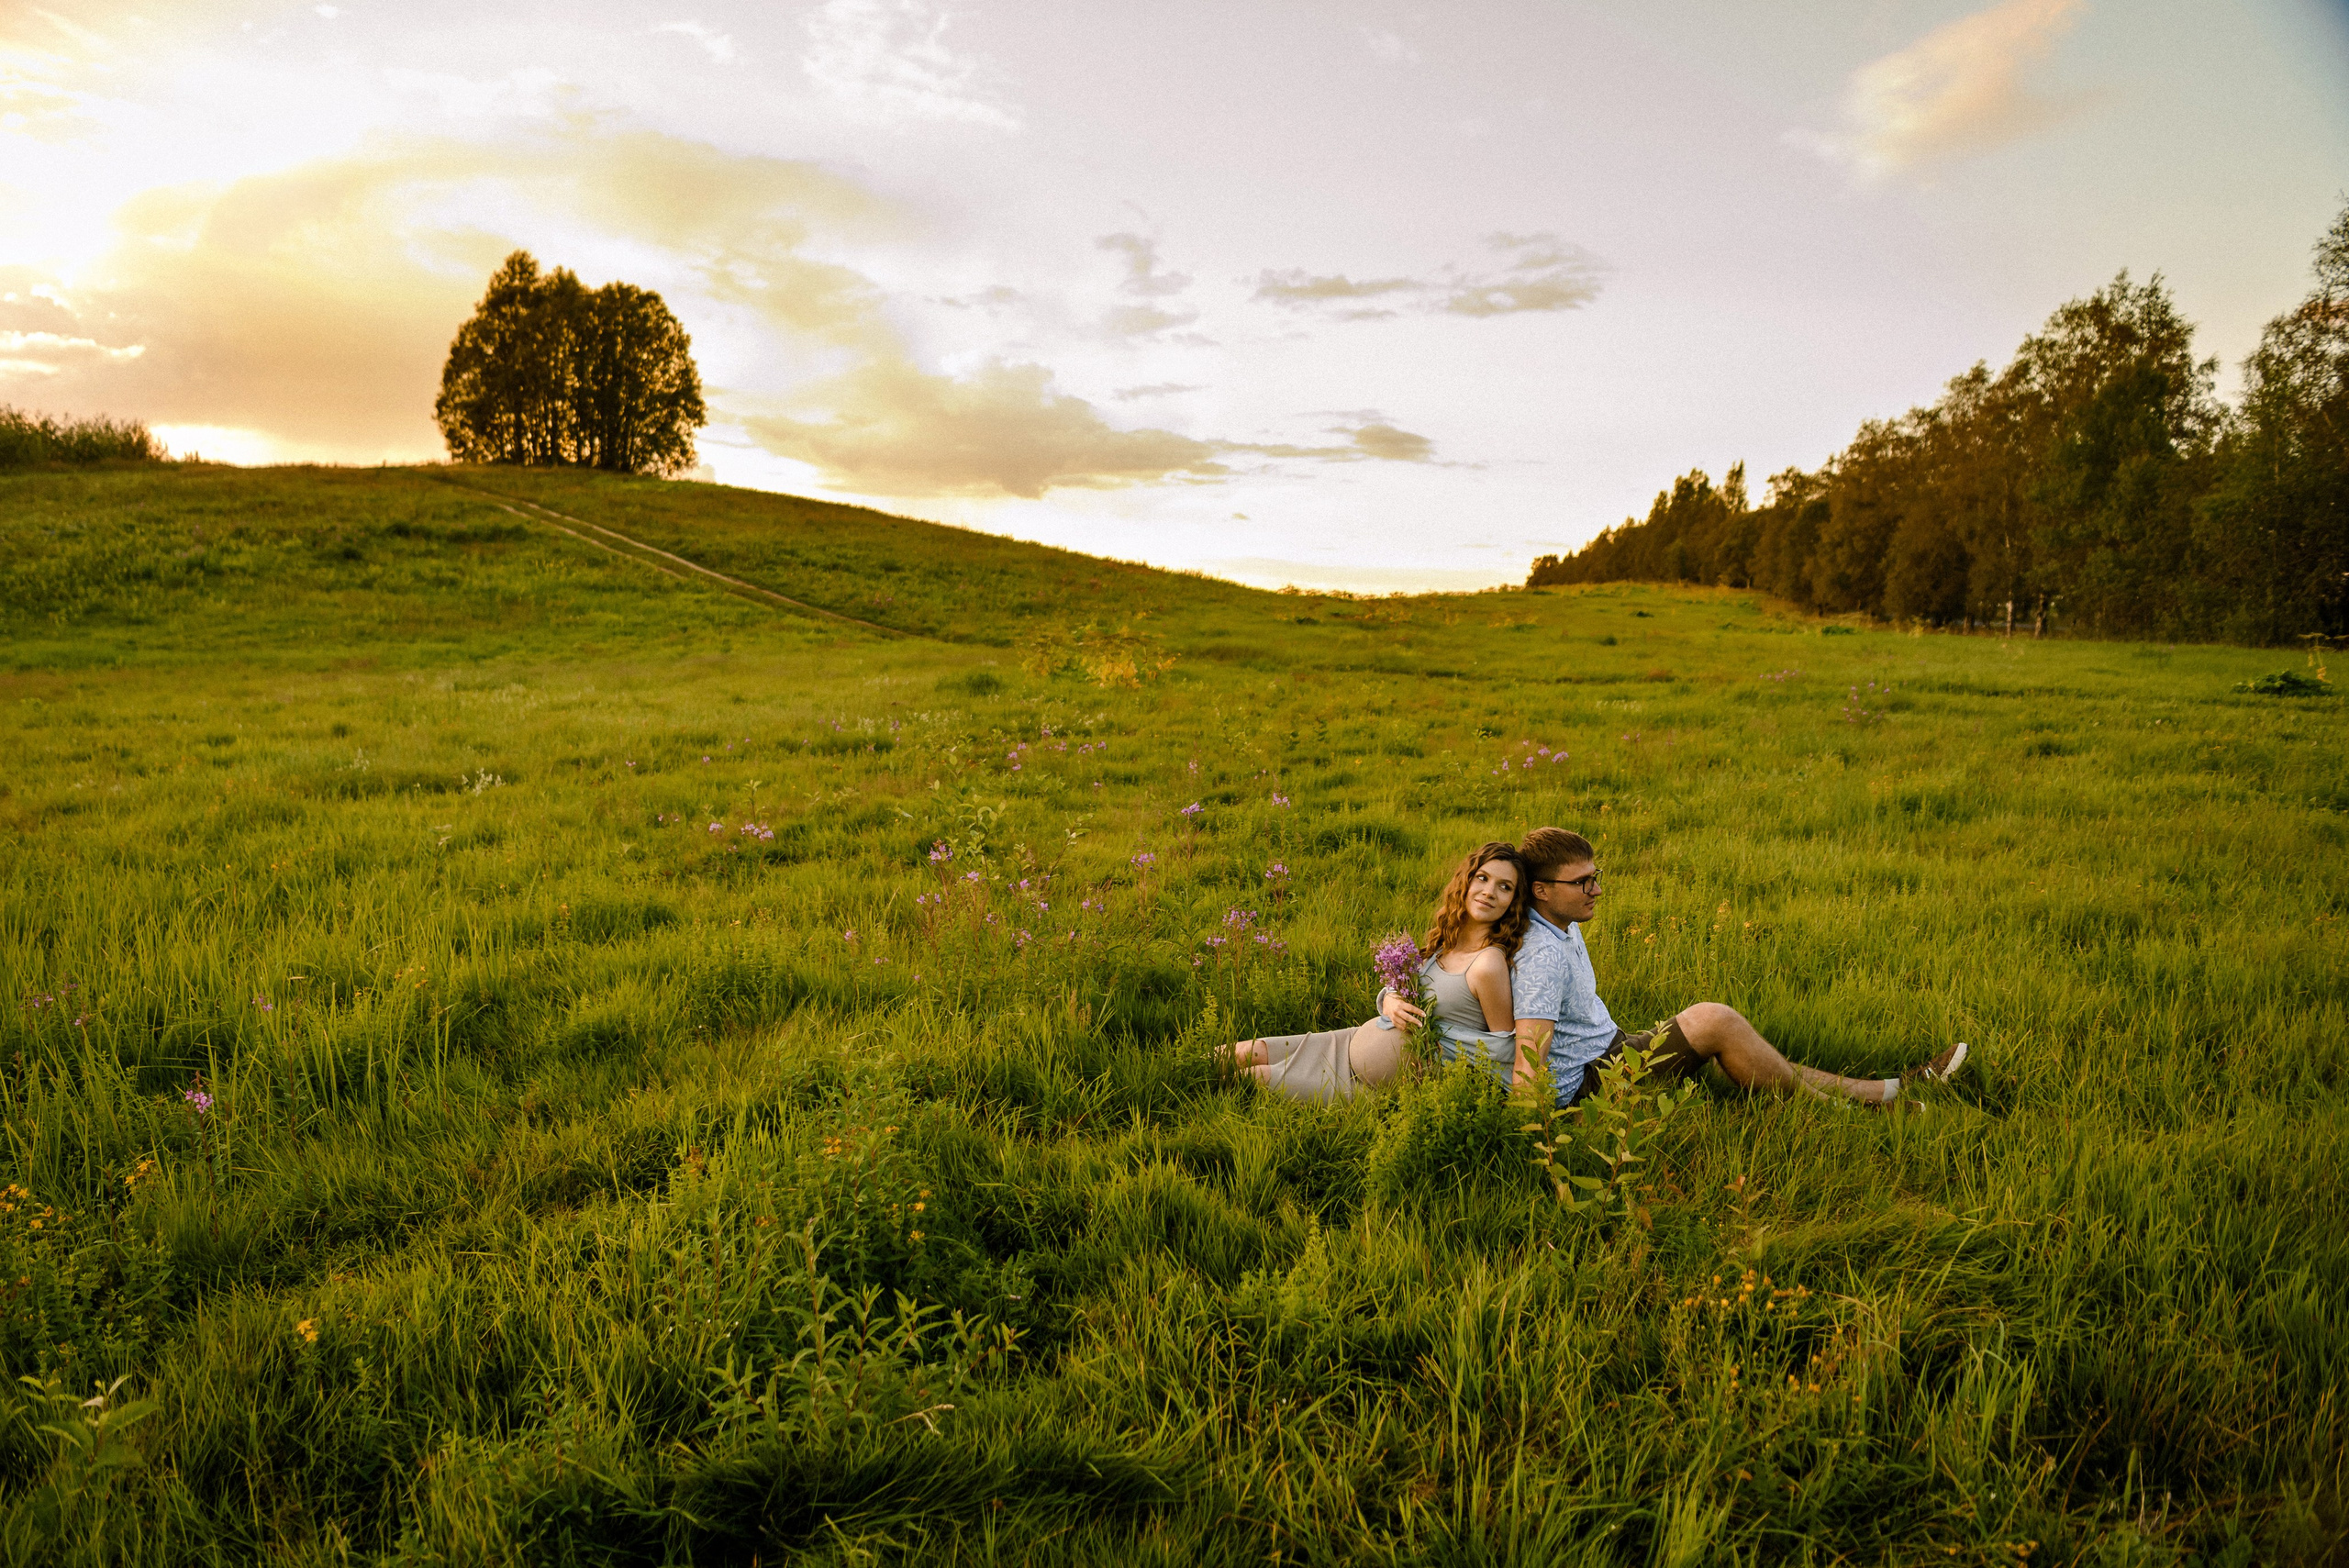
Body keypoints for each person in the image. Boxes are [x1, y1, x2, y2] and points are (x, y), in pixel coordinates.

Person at [1506, 826, 1968, 1108]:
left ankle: (1891, 1089)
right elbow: (1530, 1055)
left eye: (1596, 877)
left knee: (1753, 1049)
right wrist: (1535, 1137)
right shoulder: (1541, 956)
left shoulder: (1560, 919)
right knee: (1716, 1020)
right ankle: (1850, 1111)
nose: (1596, 890)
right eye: (1583, 882)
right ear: (1543, 890)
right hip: (1595, 1083)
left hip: (1611, 1049)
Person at [1224, 840, 1531, 1101]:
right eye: (1482, 878)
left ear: (1513, 902)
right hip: (1346, 1043)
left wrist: (1441, 1055)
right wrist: (1390, 1001)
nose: (1489, 891)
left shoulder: (1488, 963)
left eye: (1504, 887)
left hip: (1370, 1088)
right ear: (1466, 881)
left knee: (1254, 1078)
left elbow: (1501, 1050)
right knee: (1231, 1054)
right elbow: (1409, 993)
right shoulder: (1445, 942)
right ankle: (1178, 1069)